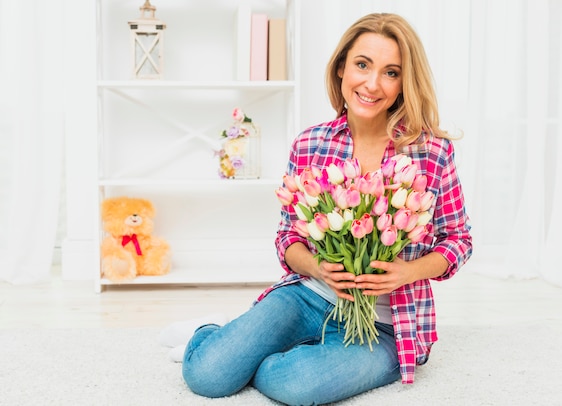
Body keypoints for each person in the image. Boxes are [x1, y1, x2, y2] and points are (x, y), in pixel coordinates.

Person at [179, 13, 472, 405]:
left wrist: (408, 271)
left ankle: (255, 348)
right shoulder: (311, 144)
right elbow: (288, 238)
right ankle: (212, 334)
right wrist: (317, 268)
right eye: (362, 65)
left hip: (386, 325)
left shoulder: (431, 152)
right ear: (340, 69)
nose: (371, 84)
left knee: (289, 383)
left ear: (404, 83)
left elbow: (459, 240)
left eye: (390, 72)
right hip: (308, 295)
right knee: (209, 375)